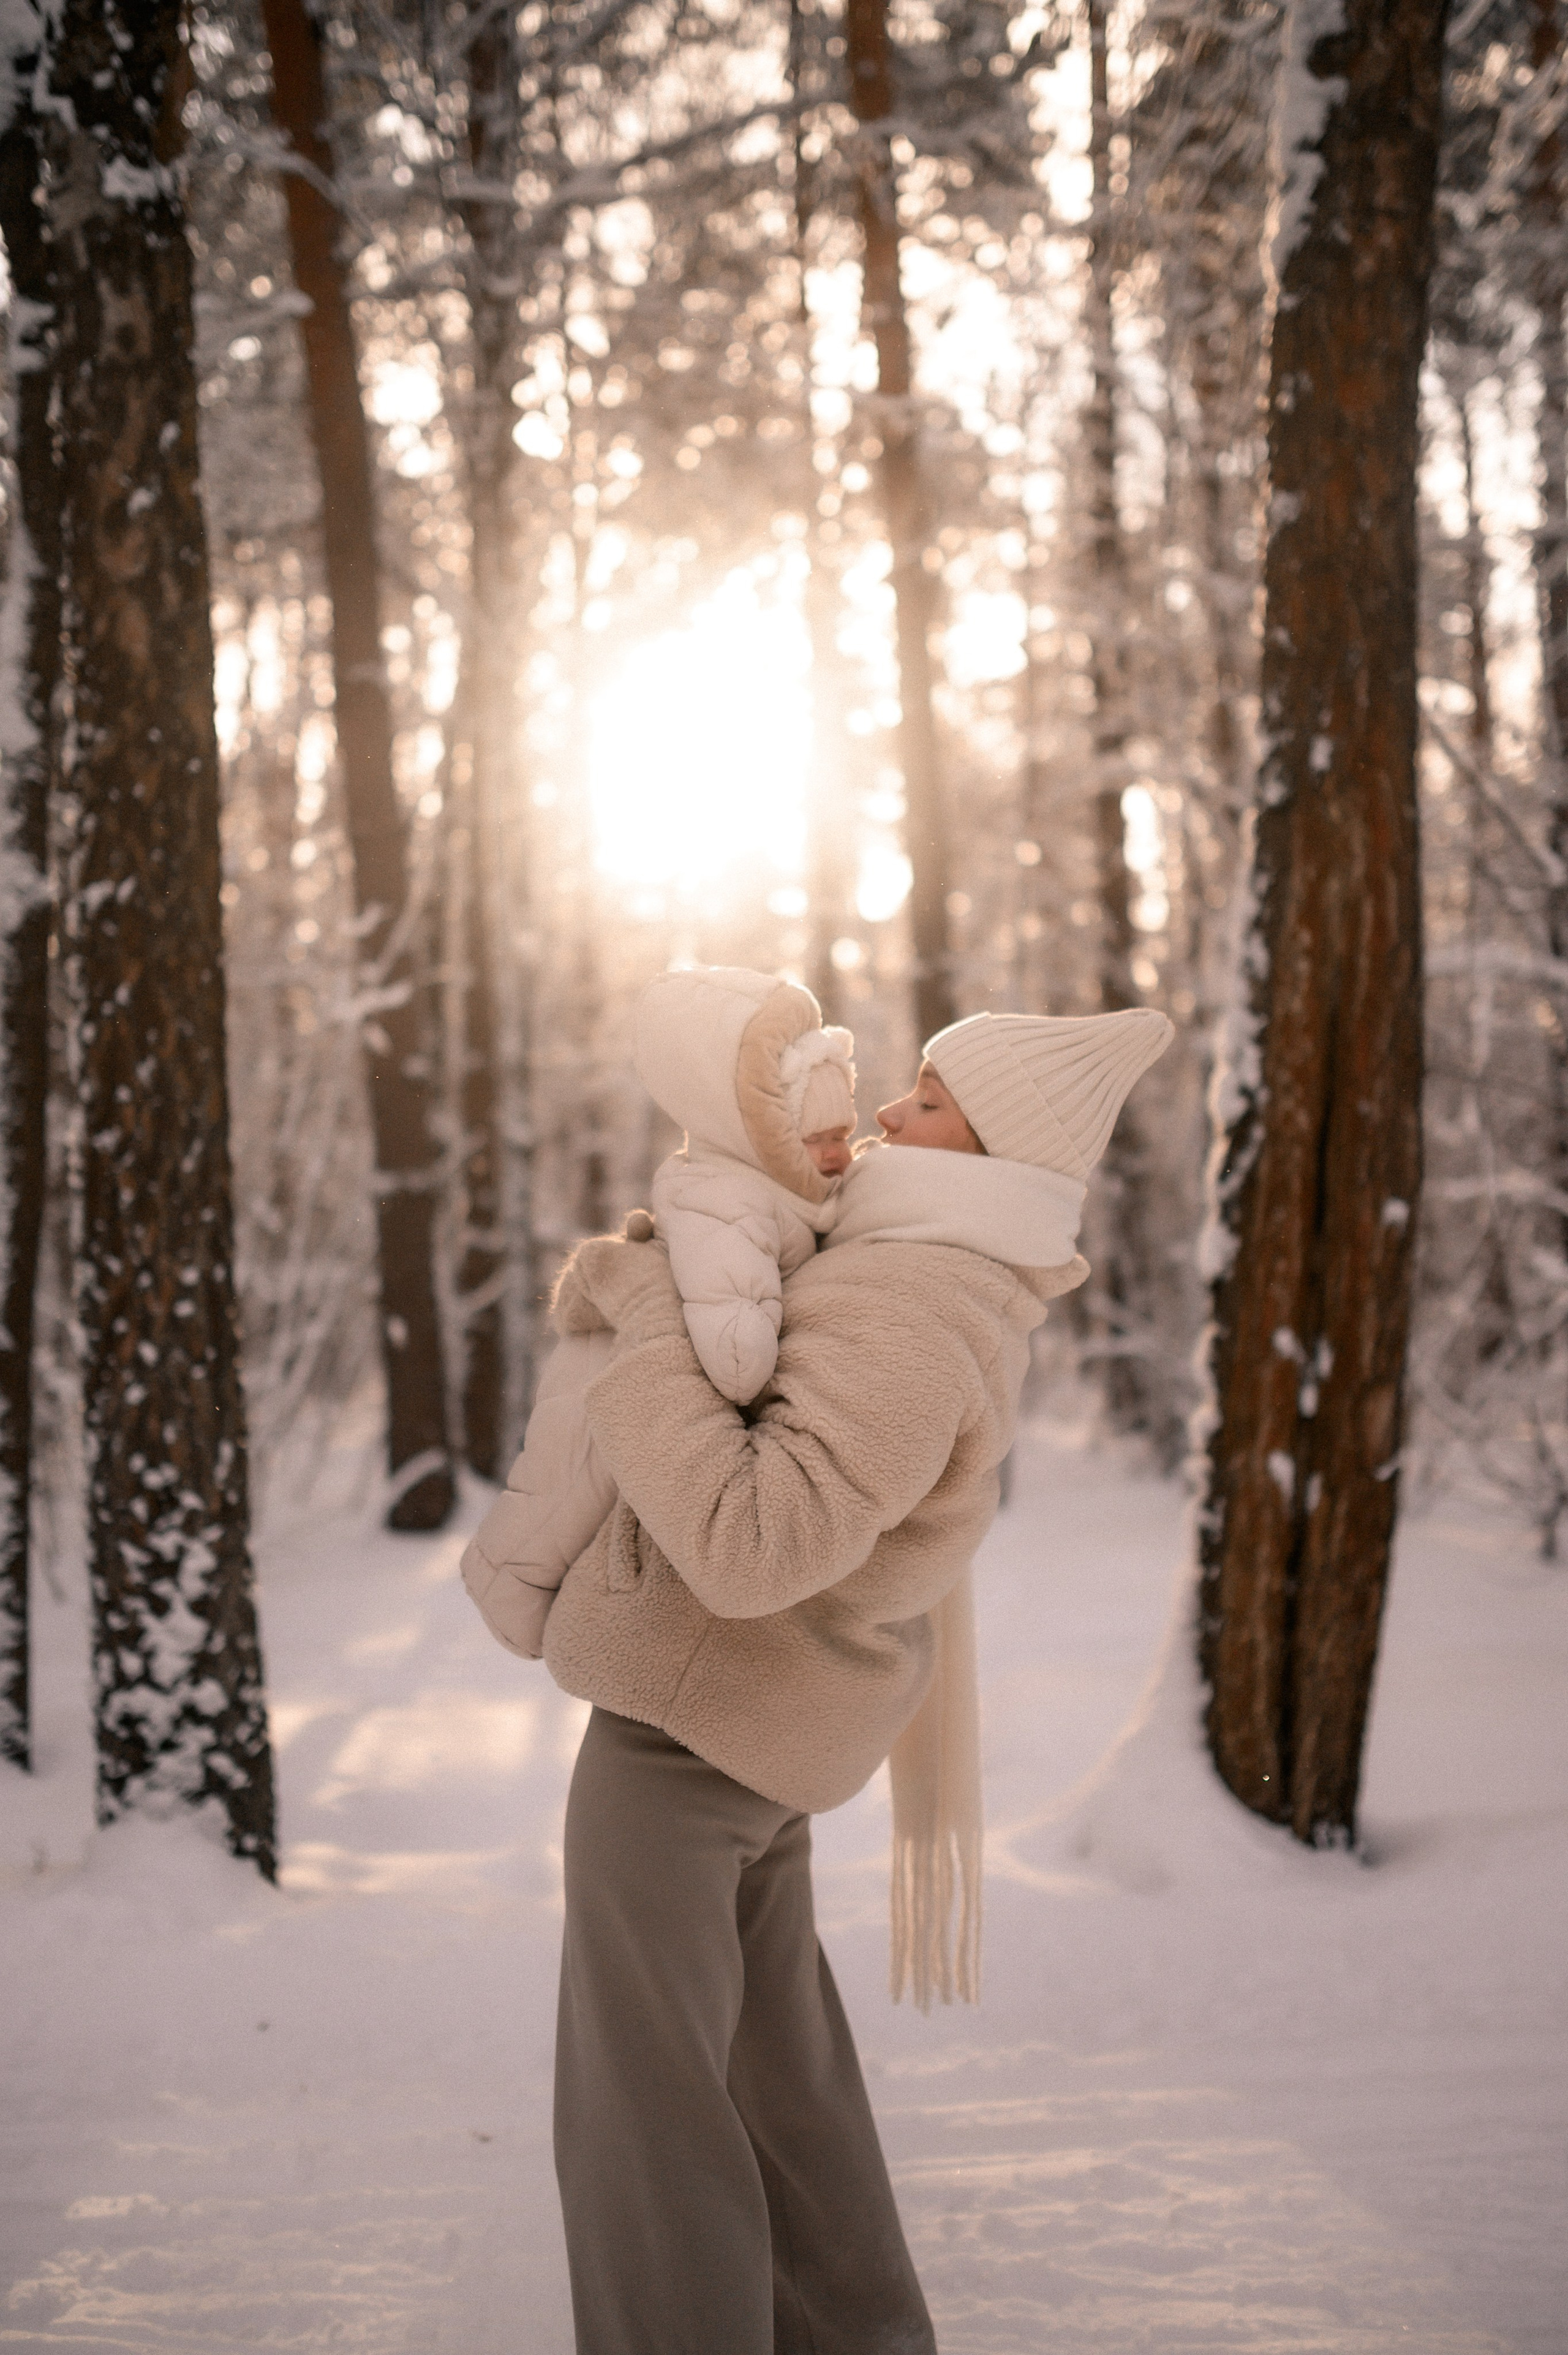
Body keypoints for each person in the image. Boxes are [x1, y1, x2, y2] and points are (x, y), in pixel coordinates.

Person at [532, 991, 1174, 2355]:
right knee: (780, 2098)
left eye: (929, 1098)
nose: (888, 1112)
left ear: (987, 1151)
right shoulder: (919, 1268)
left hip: (686, 1738)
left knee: (643, 2125)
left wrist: (649, 1326)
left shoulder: (908, 1303)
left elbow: (750, 1546)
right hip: (750, 1730)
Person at [460, 967, 856, 1661]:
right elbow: (735, 1358)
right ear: (762, 1129)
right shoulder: (723, 1194)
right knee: (564, 1490)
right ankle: (504, 1590)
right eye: (819, 1137)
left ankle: (516, 1586)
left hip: (642, 1353)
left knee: (572, 1487)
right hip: (622, 1360)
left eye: (844, 1132)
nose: (839, 1154)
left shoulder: (768, 1187)